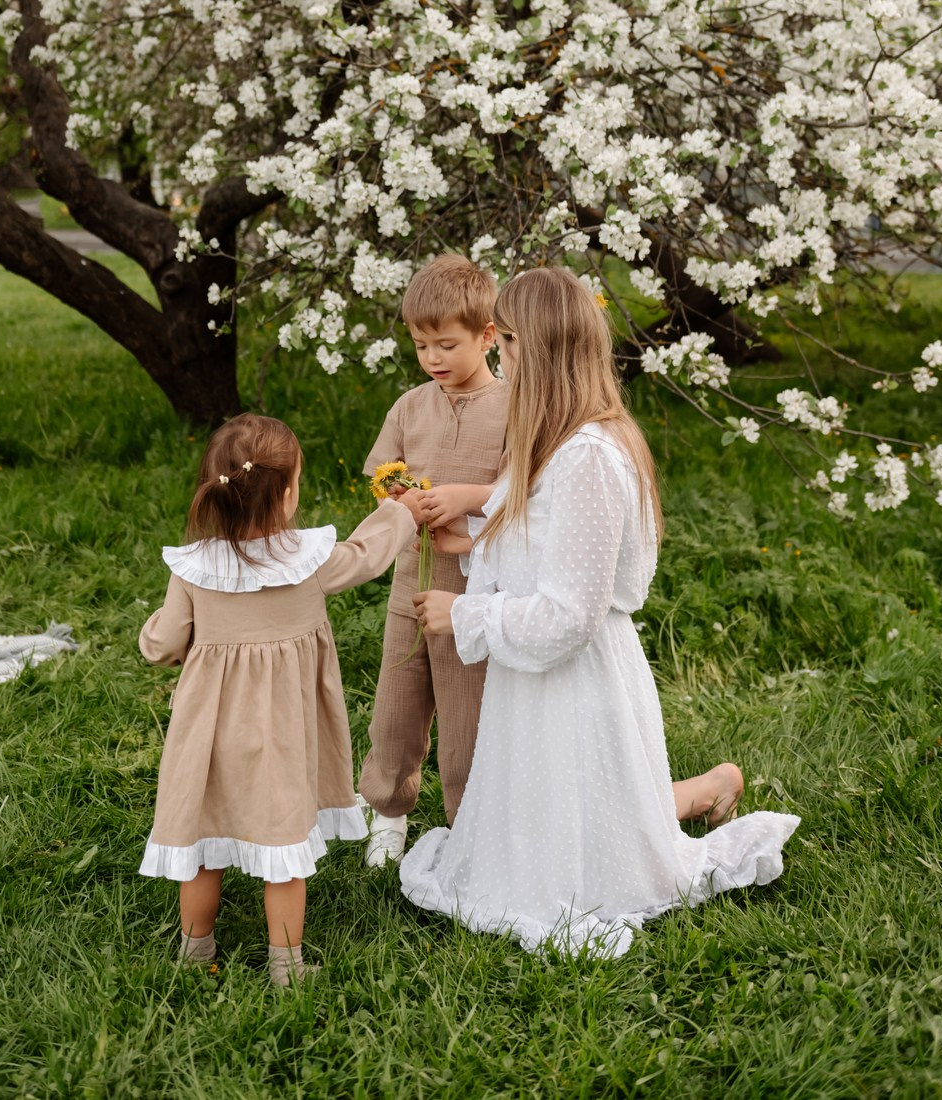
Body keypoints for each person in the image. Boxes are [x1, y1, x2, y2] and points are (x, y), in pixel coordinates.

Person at [400, 267, 799, 958]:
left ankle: (702, 797)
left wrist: (466, 615)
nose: (500, 356)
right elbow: (539, 529)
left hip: (575, 684)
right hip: (539, 687)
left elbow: (569, 616)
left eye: (510, 342)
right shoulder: (559, 440)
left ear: (542, 350)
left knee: (579, 846)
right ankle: (707, 789)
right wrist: (473, 527)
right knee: (568, 816)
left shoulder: (591, 457)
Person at [139, 411, 418, 986]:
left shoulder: (195, 568)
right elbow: (367, 555)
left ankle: (195, 951)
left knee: (204, 839)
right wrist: (399, 511)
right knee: (284, 847)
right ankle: (286, 967)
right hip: (285, 732)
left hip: (210, 732)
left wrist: (153, 633)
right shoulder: (308, 560)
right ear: (288, 494)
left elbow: (165, 642)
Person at [356, 254, 508, 867]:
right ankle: (389, 812)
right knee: (396, 705)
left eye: (447, 344)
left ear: (488, 336)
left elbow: (521, 494)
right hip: (408, 586)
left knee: (468, 719)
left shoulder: (514, 407)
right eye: (421, 346)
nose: (433, 359)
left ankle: (468, 823)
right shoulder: (410, 405)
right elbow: (380, 472)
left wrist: (467, 506)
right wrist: (399, 495)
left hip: (475, 592)